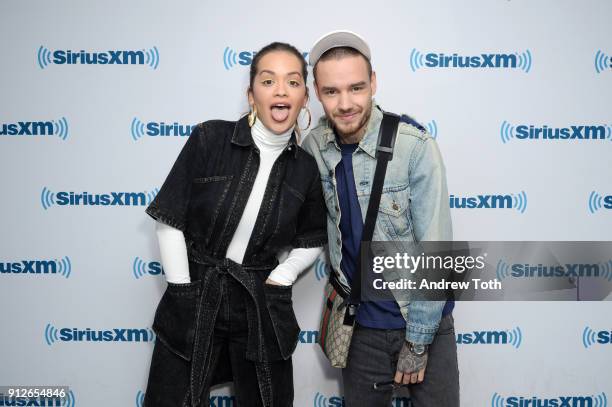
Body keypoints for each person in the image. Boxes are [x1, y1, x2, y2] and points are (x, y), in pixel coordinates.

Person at [143, 42, 327, 407]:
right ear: (251, 94)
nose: (280, 90)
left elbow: (313, 238)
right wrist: (182, 292)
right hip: (198, 289)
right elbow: (170, 217)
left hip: (260, 299)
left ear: (305, 97)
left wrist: (282, 276)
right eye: (268, 80)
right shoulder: (210, 138)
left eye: (292, 82)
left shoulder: (306, 169)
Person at [302, 30, 460, 406]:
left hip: (423, 322)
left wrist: (418, 341)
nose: (345, 103)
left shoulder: (413, 146)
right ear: (316, 92)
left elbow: (437, 253)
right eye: (331, 92)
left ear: (373, 83)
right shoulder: (315, 147)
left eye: (356, 88)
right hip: (360, 332)